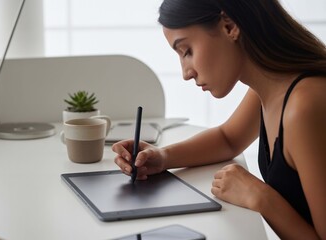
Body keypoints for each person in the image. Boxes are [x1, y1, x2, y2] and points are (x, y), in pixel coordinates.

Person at [112, 0, 326, 239]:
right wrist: (162, 157)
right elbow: (229, 139)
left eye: (187, 51)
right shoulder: (273, 86)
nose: (186, 73)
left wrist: (262, 199)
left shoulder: (305, 105)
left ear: (229, 26)